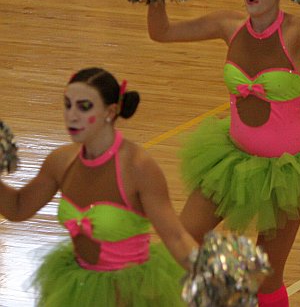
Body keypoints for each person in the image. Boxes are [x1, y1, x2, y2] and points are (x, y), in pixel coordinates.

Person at [147, 0, 300, 307]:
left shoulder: (297, 31)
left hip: (286, 172)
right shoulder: (229, 25)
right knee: (181, 241)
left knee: (266, 279)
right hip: (232, 162)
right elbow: (161, 32)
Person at [0, 68, 194, 306]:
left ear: (110, 112)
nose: (71, 116)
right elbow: (18, 208)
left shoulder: (138, 167)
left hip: (130, 294)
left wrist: (216, 273)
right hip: (78, 289)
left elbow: (176, 237)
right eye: (67, 105)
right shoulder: (61, 161)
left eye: (84, 107)